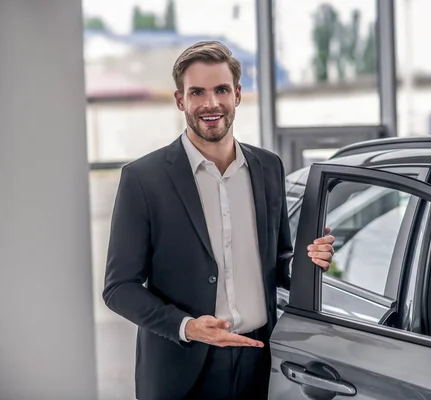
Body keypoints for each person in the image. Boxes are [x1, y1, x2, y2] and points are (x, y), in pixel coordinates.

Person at [102, 41, 335, 400]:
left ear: (237, 94)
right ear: (181, 100)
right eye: (197, 92)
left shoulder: (268, 167)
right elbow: (119, 288)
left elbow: (279, 261)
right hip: (180, 369)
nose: (211, 104)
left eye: (221, 90)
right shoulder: (143, 179)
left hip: (256, 359)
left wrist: (308, 260)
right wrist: (188, 327)